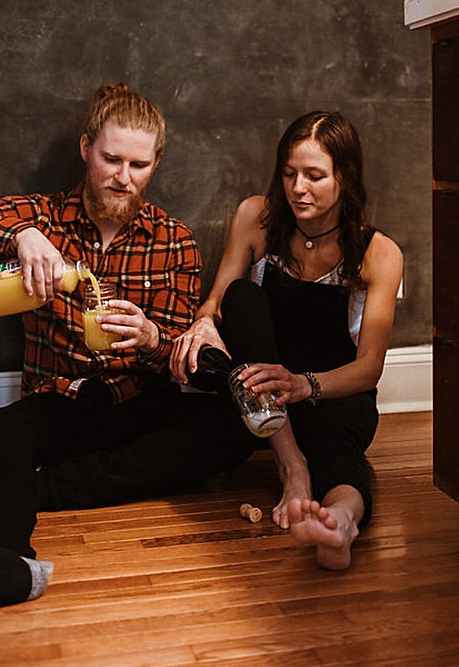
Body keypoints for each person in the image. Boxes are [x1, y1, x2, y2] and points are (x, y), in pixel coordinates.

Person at [0, 82, 258, 616]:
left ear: (156, 162)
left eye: (138, 165)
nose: (123, 177)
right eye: (111, 159)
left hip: (137, 399)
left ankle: (34, 491)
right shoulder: (44, 217)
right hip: (64, 400)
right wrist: (19, 239)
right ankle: (5, 562)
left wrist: (153, 338)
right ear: (85, 149)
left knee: (229, 427)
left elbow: (177, 363)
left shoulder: (174, 239)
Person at [169, 110, 402, 571]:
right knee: (241, 295)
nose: (298, 188)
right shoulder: (256, 216)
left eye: (315, 176)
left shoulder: (380, 253)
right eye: (290, 173)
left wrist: (303, 385)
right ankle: (291, 466)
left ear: (344, 179)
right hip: (257, 394)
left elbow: (369, 366)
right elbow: (218, 302)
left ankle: (340, 524)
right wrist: (203, 322)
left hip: (330, 390)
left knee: (340, 455)